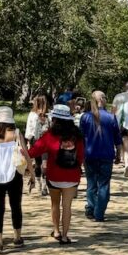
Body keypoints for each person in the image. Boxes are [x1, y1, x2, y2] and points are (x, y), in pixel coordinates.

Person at [28, 104, 85, 244]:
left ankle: (57, 231)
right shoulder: (77, 135)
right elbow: (82, 156)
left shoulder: (49, 135)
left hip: (54, 176)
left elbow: (34, 151)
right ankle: (65, 236)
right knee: (67, 206)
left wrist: (22, 152)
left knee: (55, 204)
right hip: (72, 176)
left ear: (54, 119)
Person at [0, 106, 34, 253]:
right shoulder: (16, 134)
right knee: (15, 206)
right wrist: (33, 175)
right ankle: (17, 237)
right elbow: (26, 155)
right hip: (14, 175)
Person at [79, 90, 123, 222]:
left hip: (90, 155)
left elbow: (80, 138)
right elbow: (117, 138)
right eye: (104, 97)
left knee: (91, 184)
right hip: (106, 156)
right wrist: (118, 154)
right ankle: (99, 212)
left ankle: (91, 208)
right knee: (104, 185)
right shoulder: (111, 117)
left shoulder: (85, 117)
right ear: (102, 100)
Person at [25, 94, 50, 196]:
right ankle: (39, 183)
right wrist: (28, 141)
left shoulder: (49, 114)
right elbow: (29, 129)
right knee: (38, 163)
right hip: (35, 141)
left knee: (45, 163)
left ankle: (44, 185)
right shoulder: (32, 115)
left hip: (46, 141)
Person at [111, 81, 128, 166]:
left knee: (119, 141)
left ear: (125, 87)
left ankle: (121, 157)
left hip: (118, 122)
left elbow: (113, 110)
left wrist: (111, 119)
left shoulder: (118, 96)